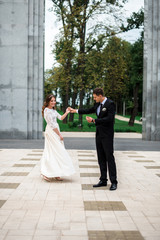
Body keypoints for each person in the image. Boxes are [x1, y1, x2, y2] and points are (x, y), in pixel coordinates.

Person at [70, 88, 118, 190]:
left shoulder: (110, 104)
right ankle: (103, 180)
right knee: (101, 158)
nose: (94, 99)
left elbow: (109, 119)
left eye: (95, 97)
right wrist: (76, 111)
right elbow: (89, 110)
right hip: (99, 134)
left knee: (109, 157)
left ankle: (114, 182)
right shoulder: (97, 104)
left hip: (107, 135)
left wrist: (94, 120)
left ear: (100, 95)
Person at [41, 94, 75, 182]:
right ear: (48, 101)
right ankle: (45, 172)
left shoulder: (53, 110)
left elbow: (60, 118)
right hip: (52, 132)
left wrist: (67, 112)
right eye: (51, 101)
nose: (53, 102)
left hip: (56, 131)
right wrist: (59, 134)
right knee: (53, 150)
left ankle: (55, 172)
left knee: (56, 151)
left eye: (54, 100)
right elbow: (52, 125)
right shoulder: (46, 110)